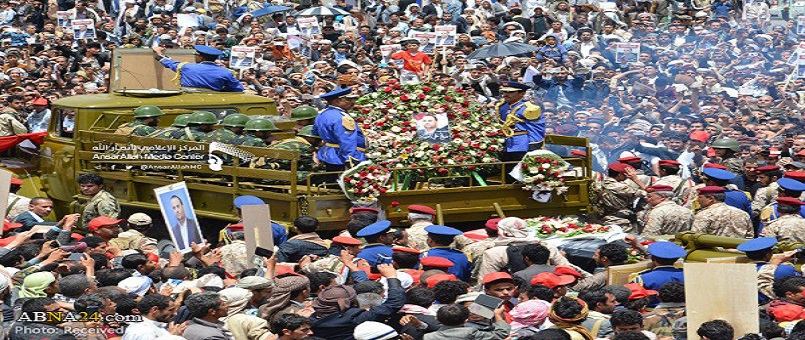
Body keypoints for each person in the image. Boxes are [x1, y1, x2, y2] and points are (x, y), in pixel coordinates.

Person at [496, 81, 544, 181]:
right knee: (506, 173)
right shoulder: (502, 106)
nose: (506, 94)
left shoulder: (530, 108)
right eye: (504, 92)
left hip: (521, 144)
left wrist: (533, 147)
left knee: (520, 173)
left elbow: (536, 129)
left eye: (510, 92)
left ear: (522, 93)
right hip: (504, 143)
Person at [312, 87, 364, 176]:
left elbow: (315, 132)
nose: (352, 102)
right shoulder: (342, 117)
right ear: (336, 101)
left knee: (332, 182)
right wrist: (350, 159)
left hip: (328, 154)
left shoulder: (322, 114)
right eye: (348, 100)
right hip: (341, 157)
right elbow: (347, 140)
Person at [153, 45, 244, 92]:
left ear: (201, 58)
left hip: (187, 100)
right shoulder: (226, 72)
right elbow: (238, 88)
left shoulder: (186, 67)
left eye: (196, 55)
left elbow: (169, 63)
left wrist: (159, 54)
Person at [424, 303, 510, 339]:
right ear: (465, 321)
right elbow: (501, 334)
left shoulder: (428, 337)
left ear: (437, 319)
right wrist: (498, 315)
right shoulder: (470, 332)